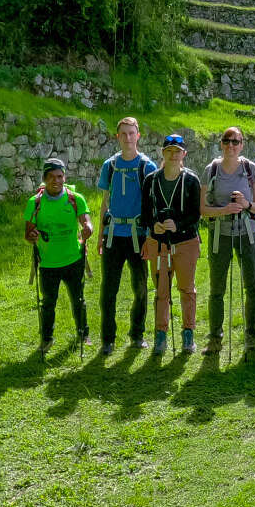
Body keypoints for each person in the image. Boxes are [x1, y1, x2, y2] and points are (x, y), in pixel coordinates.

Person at [96, 116, 157, 355]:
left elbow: (152, 205)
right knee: (108, 290)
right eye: (123, 133)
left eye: (132, 133)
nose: (128, 137)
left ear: (138, 136)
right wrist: (100, 235)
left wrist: (151, 237)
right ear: (117, 136)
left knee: (140, 288)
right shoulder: (109, 166)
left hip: (138, 235)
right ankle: (108, 339)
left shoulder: (147, 166)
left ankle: (137, 334)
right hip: (113, 235)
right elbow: (104, 203)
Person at [200, 127, 255, 355]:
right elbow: (202, 209)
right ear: (221, 143)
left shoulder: (250, 168)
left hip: (246, 232)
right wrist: (225, 209)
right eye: (227, 141)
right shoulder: (212, 169)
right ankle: (215, 338)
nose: (231, 145)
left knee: (253, 284)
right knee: (217, 287)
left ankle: (252, 334)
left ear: (242, 145)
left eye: (236, 141)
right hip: (220, 234)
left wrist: (245, 204)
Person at [139, 135, 202, 355]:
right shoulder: (151, 180)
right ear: (162, 153)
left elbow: (196, 214)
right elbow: (145, 213)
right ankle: (160, 334)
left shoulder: (192, 180)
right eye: (169, 151)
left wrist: (179, 225)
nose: (173, 155)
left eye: (177, 151)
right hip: (160, 243)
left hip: (185, 242)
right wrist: (153, 225)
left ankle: (188, 333)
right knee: (161, 290)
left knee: (186, 288)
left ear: (184, 154)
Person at [23, 158, 93, 351]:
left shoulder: (75, 198)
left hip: (73, 259)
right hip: (47, 263)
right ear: (44, 179)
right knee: (47, 303)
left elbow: (85, 219)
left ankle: (83, 334)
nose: (56, 180)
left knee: (78, 299)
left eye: (60, 176)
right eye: (51, 177)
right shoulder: (35, 202)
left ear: (65, 177)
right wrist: (32, 236)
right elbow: (28, 233)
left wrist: (88, 227)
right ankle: (46, 339)